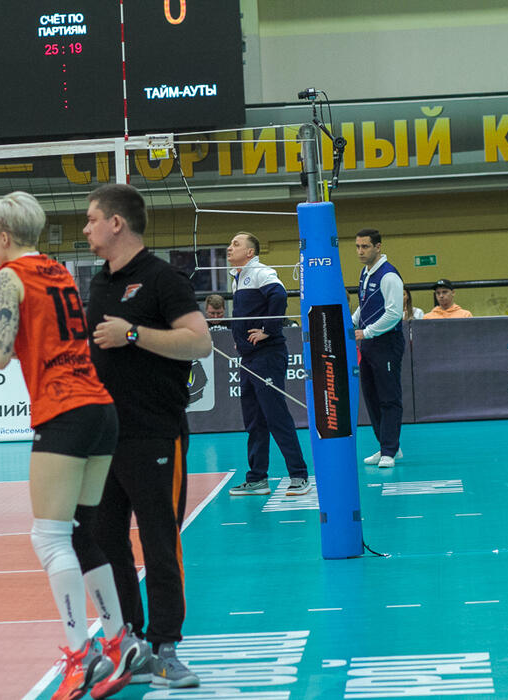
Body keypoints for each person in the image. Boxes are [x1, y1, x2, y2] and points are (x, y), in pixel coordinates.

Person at [0, 191, 145, 700]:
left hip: (63, 410)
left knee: (49, 537)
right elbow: (38, 337)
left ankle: (82, 657)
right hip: (99, 408)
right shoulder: (58, 271)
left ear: (4, 234)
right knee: (81, 531)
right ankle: (119, 641)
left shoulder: (9, 275)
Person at [84, 184, 209, 690]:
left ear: (116, 223)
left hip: (155, 434)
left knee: (159, 542)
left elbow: (199, 341)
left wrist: (133, 333)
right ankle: (129, 642)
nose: (86, 229)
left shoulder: (162, 278)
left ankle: (165, 647)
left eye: (92, 219)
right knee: (104, 540)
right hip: (103, 438)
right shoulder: (99, 282)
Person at [225, 232, 311, 497]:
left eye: (236, 244)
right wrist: (240, 340)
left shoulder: (261, 272)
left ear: (250, 252)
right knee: (254, 420)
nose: (229, 248)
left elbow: (280, 296)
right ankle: (257, 479)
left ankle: (299, 476)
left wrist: (267, 330)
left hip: (268, 355)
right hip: (249, 358)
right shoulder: (237, 278)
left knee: (276, 416)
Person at [353, 229, 406, 469]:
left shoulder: (389, 276)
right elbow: (364, 306)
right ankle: (387, 445)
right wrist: (352, 323)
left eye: (365, 246)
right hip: (369, 345)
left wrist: (367, 332)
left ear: (378, 247)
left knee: (389, 398)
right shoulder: (365, 273)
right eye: (358, 247)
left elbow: (394, 313)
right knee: (372, 397)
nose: (360, 251)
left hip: (386, 343)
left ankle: (389, 451)